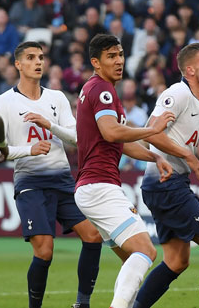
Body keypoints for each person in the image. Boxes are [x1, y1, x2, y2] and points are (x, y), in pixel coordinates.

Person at [0, 41, 102, 308]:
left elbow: (78, 138)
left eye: (41, 57)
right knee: (44, 250)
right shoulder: (2, 104)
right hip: (30, 183)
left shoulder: (57, 98)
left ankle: (82, 303)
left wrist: (50, 125)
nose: (38, 62)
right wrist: (28, 151)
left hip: (63, 181)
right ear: (18, 65)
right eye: (30, 58)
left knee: (93, 236)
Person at [133, 43, 199, 307]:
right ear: (190, 70)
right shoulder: (177, 93)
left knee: (176, 261)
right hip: (164, 183)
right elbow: (151, 132)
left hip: (170, 183)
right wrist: (188, 155)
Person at [74, 34, 175, 308]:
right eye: (111, 56)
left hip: (93, 187)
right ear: (96, 62)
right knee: (146, 250)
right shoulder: (101, 90)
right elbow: (111, 132)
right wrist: (152, 130)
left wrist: (154, 156)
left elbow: (120, 140)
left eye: (120, 54)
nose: (119, 61)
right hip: (99, 186)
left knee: (132, 257)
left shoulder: (99, 90)